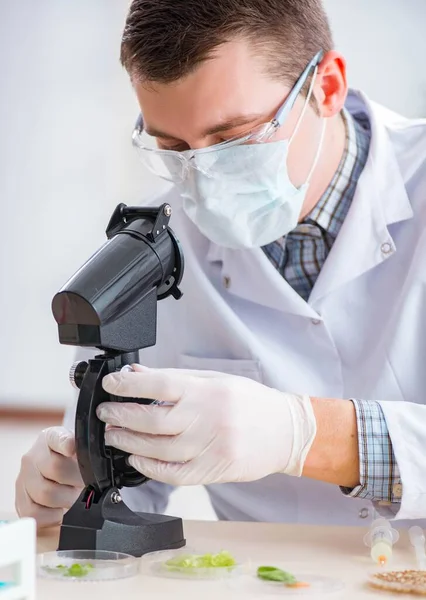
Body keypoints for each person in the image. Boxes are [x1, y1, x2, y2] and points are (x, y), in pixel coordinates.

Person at [15, 0, 426, 529]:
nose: (204, 179)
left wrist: (300, 433)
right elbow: (132, 486)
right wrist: (74, 489)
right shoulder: (158, 241)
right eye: (173, 147)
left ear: (327, 87)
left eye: (233, 139)